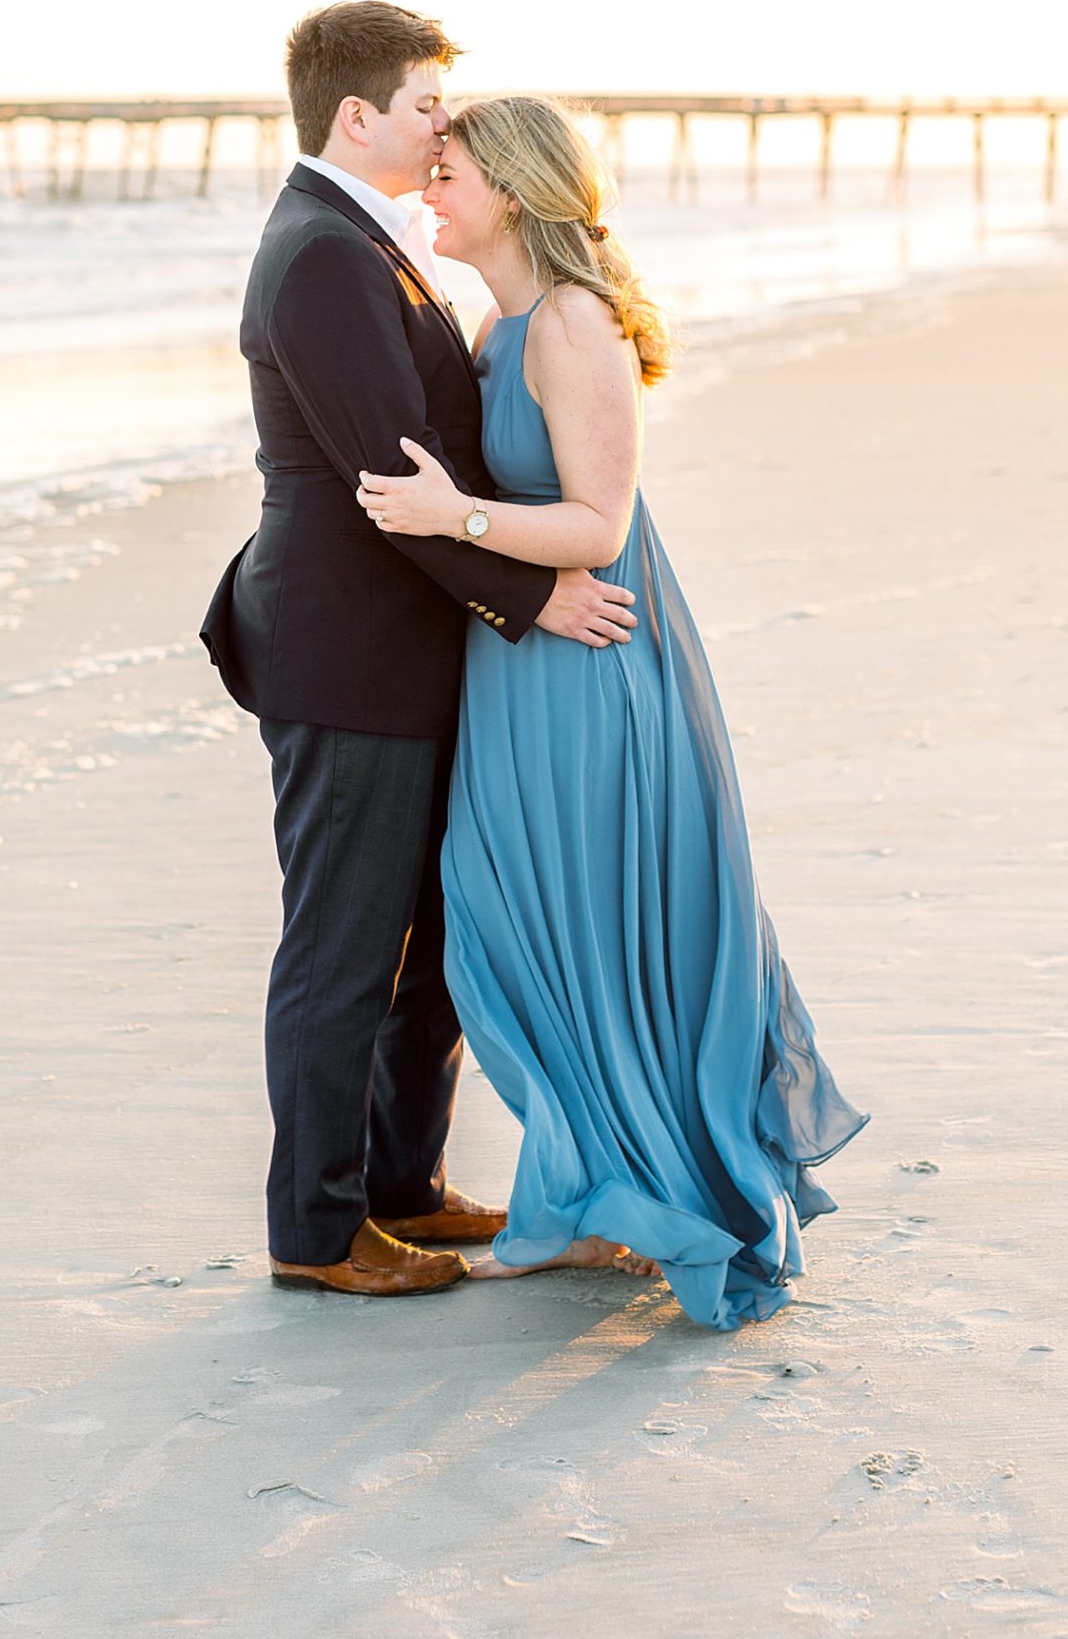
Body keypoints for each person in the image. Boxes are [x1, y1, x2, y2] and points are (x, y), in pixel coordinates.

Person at [354, 93, 871, 1330]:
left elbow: (600, 523)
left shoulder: (572, 324)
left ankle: (637, 1196)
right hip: (524, 659)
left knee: (590, 926)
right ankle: (598, 1190)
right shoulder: (502, 320)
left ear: (514, 191)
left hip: (592, 665)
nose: (430, 190)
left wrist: (453, 517)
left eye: (449, 173)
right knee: (511, 922)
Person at [199, 4, 639, 1299]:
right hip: (349, 653)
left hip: (407, 644)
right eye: (427, 104)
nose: (445, 125)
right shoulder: (324, 255)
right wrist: (532, 595)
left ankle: (401, 1183)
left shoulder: (364, 241)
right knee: (344, 948)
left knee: (423, 944)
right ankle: (316, 1229)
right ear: (359, 116)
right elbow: (394, 484)